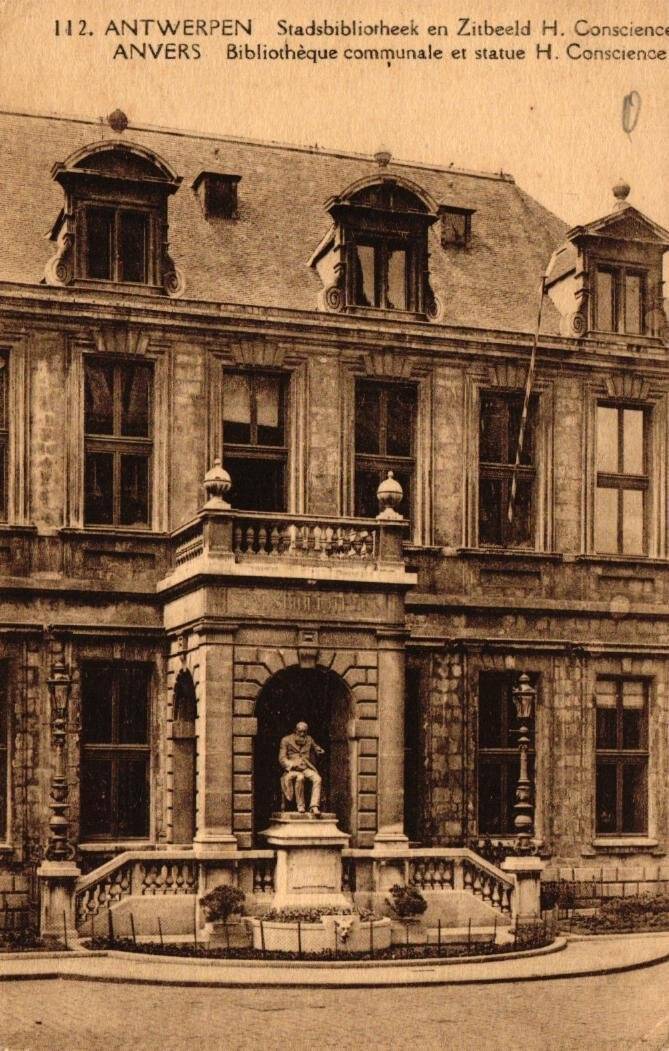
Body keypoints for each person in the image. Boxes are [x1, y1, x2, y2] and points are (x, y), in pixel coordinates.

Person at [278, 721, 324, 816]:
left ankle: (314, 806)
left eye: (304, 732)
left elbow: (316, 747)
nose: (302, 734)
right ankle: (300, 805)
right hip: (292, 769)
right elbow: (282, 759)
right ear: (295, 730)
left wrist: (319, 750)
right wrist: (293, 764)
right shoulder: (286, 740)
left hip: (305, 767)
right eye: (300, 731)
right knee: (300, 777)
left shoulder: (309, 739)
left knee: (317, 779)